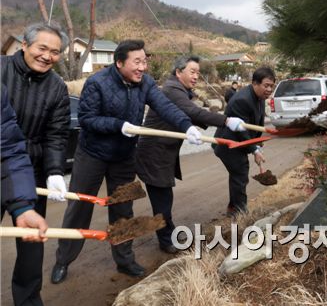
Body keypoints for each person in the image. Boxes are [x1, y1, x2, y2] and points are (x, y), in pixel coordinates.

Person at [51, 40, 203, 284]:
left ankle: (124, 260)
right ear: (119, 62)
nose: (142, 67)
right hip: (92, 154)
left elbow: (165, 106)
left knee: (123, 209)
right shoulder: (97, 83)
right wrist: (118, 125)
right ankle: (63, 259)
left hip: (123, 157)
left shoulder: (146, 83)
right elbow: (87, 119)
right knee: (79, 207)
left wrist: (187, 126)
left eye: (145, 61)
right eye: (137, 62)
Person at [135, 55, 246, 254]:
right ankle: (166, 240)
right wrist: (226, 121)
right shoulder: (172, 90)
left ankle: (168, 232)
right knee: (162, 198)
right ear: (179, 72)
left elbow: (192, 114)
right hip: (154, 153)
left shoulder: (179, 90)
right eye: (192, 71)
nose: (196, 76)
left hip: (162, 152)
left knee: (164, 196)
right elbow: (193, 112)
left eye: (198, 72)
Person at [1, 22, 70, 306]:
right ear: (24, 45)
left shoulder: (57, 87)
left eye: (55, 52)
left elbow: (56, 134)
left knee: (31, 241)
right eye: (42, 48)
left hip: (30, 172)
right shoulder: (1, 70)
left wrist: (55, 171)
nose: (47, 56)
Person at [1, 87, 53, 306]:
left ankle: (29, 305)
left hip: (19, 177)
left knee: (30, 250)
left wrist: (22, 205)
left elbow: (8, 148)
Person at [213, 67, 276, 217]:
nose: (269, 89)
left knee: (237, 174)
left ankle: (233, 207)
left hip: (240, 143)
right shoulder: (242, 100)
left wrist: (257, 146)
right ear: (255, 83)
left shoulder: (259, 97)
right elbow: (241, 131)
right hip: (228, 144)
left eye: (271, 86)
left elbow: (256, 126)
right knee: (240, 174)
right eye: (266, 85)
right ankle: (240, 211)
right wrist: (254, 150)